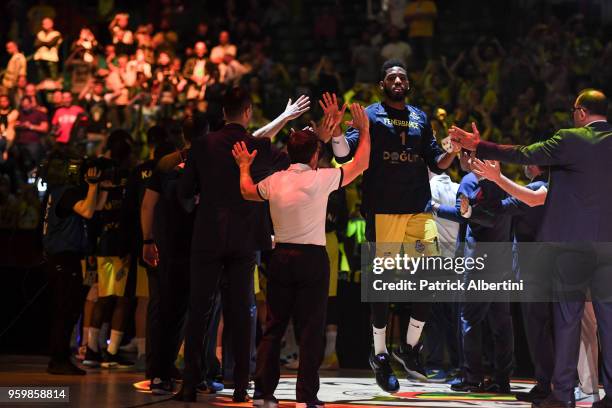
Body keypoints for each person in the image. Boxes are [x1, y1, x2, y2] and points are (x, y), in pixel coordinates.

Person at [450, 89, 612, 408]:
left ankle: (562, 394)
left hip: (572, 247)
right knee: (609, 323)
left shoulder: (571, 138)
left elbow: (524, 153)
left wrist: (477, 145)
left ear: (580, 113)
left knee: (567, 321)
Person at [328, 59, 458, 391]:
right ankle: (381, 353)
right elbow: (344, 156)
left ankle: (410, 347)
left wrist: (453, 151)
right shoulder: (370, 114)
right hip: (383, 210)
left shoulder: (420, 117)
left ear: (408, 85)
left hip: (418, 208)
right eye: (391, 77)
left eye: (402, 76)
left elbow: (437, 162)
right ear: (382, 85)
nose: (398, 79)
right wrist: (337, 133)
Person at [174, 87, 309, 403]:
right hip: (245, 237)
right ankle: (239, 386)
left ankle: (189, 384)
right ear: (247, 112)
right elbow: (268, 152)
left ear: (223, 113)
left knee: (199, 310)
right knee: (242, 311)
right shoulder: (256, 147)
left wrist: (198, 203)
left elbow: (184, 191)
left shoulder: (202, 145)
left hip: (207, 236)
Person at [233, 103, 370, 408]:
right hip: (312, 259)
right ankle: (306, 398)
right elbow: (360, 164)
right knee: (311, 329)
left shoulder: (275, 179)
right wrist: (366, 130)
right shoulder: (321, 179)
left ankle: (264, 395)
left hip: (279, 256)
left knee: (274, 327)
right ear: (314, 156)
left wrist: (244, 166)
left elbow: (246, 191)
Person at [470, 160, 600, 404]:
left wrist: (472, 208)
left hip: (534, 271)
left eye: (530, 161)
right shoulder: (560, 192)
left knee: (539, 330)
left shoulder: (538, 189)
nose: (525, 165)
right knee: (563, 328)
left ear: (540, 167)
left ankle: (548, 385)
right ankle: (560, 384)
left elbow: (501, 208)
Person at [42, 165, 106, 375]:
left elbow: (95, 207)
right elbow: (88, 211)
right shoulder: (66, 192)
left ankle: (60, 358)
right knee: (65, 309)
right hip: (64, 259)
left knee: (68, 309)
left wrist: (102, 187)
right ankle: (58, 360)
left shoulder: (59, 192)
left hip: (63, 258)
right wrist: (93, 185)